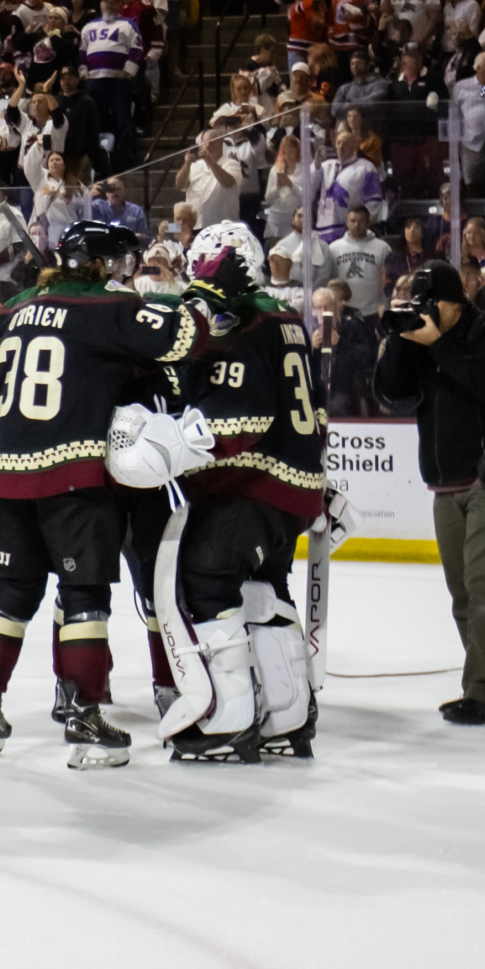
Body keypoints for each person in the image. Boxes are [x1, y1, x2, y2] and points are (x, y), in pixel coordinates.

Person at [0, 221, 239, 764]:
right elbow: (182, 337)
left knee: (13, 595)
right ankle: (85, 717)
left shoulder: (14, 310)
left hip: (9, 476)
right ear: (104, 264)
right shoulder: (108, 306)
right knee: (84, 595)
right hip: (75, 478)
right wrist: (202, 291)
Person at [125, 223, 330, 763]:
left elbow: (245, 412)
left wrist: (177, 438)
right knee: (263, 587)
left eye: (200, 264)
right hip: (298, 484)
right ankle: (287, 714)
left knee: (206, 579)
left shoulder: (239, 320)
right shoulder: (285, 318)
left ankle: (228, 717)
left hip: (252, 484)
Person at [377, 259, 485, 725]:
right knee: (463, 595)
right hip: (444, 485)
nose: (424, 312)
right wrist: (400, 339)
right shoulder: (425, 341)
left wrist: (437, 344)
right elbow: (389, 392)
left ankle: (481, 693)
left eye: (429, 303)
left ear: (453, 302)